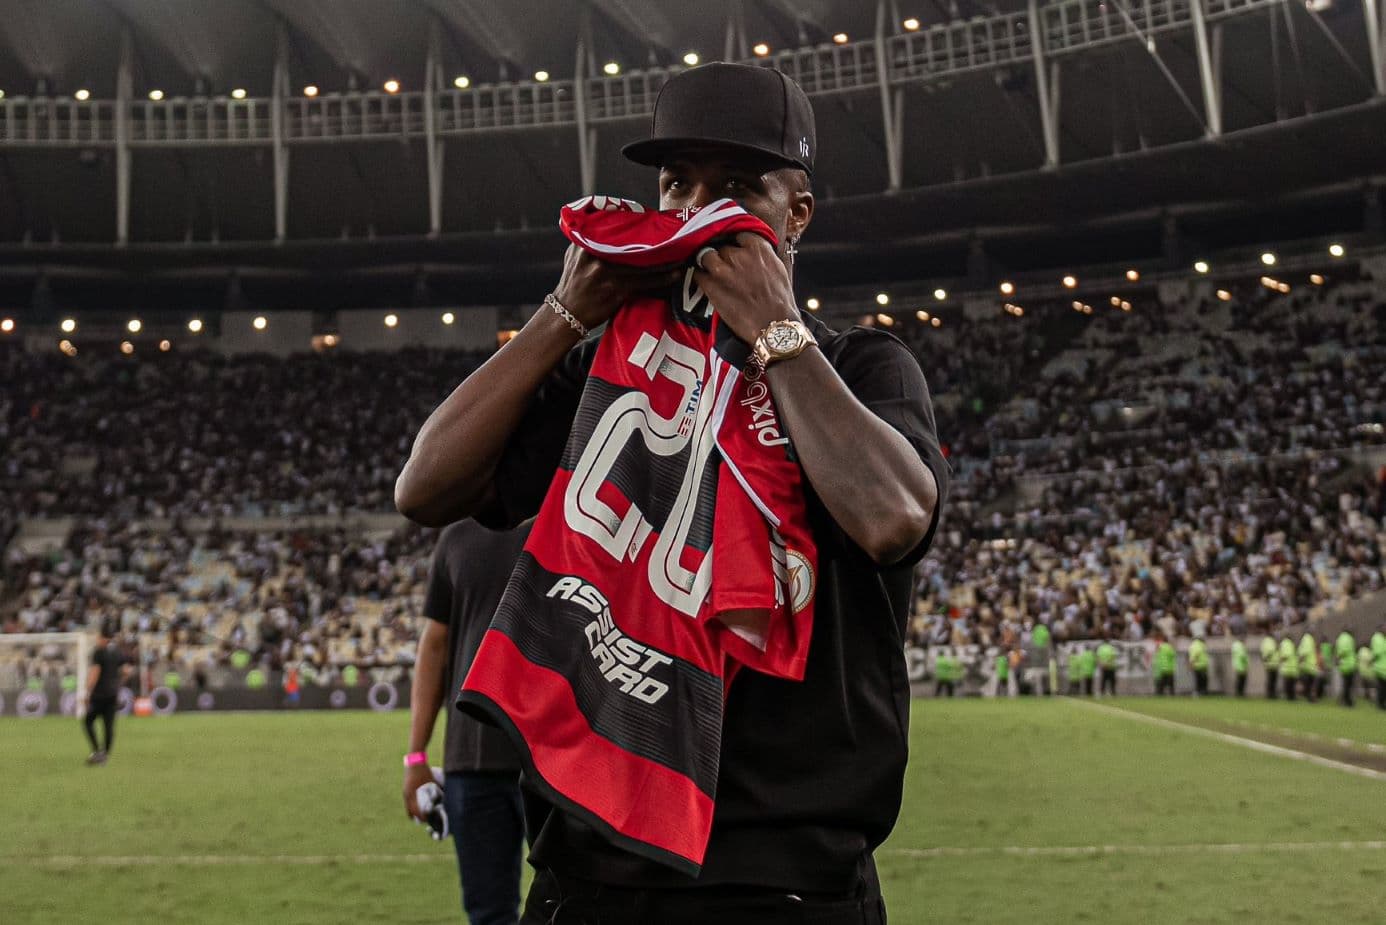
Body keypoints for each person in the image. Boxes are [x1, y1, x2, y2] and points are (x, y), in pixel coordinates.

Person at [395, 62, 947, 924]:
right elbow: (426, 484)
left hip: (786, 875)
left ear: (796, 213)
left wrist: (776, 331)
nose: (699, 211)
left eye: (736, 187)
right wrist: (566, 311)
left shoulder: (863, 368)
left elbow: (891, 519)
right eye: (677, 185)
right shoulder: (603, 368)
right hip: (590, 869)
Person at [404, 520, 536, 925]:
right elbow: (435, 646)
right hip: (472, 763)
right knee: (488, 914)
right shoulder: (456, 536)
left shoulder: (568, 515)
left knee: (581, 905)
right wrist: (415, 757)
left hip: (556, 759)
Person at [83, 622, 129, 765]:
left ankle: (97, 751)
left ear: (102, 637)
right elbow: (126, 671)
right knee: (108, 726)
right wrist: (117, 683)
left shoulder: (99, 651)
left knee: (88, 721)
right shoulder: (117, 651)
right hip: (113, 693)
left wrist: (87, 692)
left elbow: (95, 673)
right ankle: (105, 756)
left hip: (99, 694)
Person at [1335, 630, 1357, 708]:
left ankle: (1344, 700)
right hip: (1350, 665)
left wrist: (1337, 659)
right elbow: (1344, 651)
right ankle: (1347, 701)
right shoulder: (1348, 638)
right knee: (1349, 685)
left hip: (1343, 665)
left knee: (1345, 684)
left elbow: (1339, 651)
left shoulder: (1339, 638)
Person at [1298, 631, 1319, 703]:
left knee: (1308, 683)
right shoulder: (1309, 639)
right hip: (1310, 665)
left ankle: (1309, 697)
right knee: (1312, 684)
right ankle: (1311, 698)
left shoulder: (1306, 639)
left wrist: (1300, 662)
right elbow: (1306, 652)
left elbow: (1303, 652)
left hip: (1307, 665)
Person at [1278, 633, 1299, 701]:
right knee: (1292, 684)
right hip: (1293, 667)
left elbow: (1286, 655)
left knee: (1288, 684)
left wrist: (1280, 660)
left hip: (1287, 667)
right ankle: (1292, 697)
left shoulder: (1285, 643)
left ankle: (1289, 697)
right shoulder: (1291, 644)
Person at [1372, 624, 1386, 710]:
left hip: (1382, 667)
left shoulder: (1382, 638)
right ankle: (1380, 704)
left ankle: (1381, 703)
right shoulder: (1378, 638)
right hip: (1380, 668)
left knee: (1382, 687)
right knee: (1382, 687)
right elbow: (1377, 652)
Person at [1260, 633, 1279, 700]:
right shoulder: (1270, 642)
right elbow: (1271, 651)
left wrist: (1264, 659)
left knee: (1270, 680)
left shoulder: (1264, 642)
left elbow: (1262, 652)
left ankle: (1269, 694)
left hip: (1269, 664)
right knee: (1272, 681)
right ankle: (1271, 694)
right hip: (1272, 663)